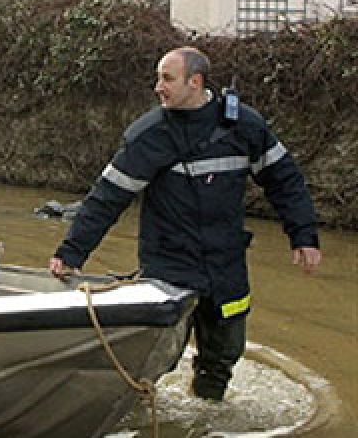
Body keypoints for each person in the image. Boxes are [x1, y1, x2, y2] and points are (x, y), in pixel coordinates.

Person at [48, 46, 322, 401]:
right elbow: (107, 198)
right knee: (155, 357)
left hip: (226, 265)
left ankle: (208, 411)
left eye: (167, 78)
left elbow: (285, 180)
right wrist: (71, 253)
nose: (157, 87)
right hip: (169, 266)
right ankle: (142, 412)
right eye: (158, 77)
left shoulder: (243, 125)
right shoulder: (150, 136)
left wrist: (304, 236)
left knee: (223, 355)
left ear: (195, 82)